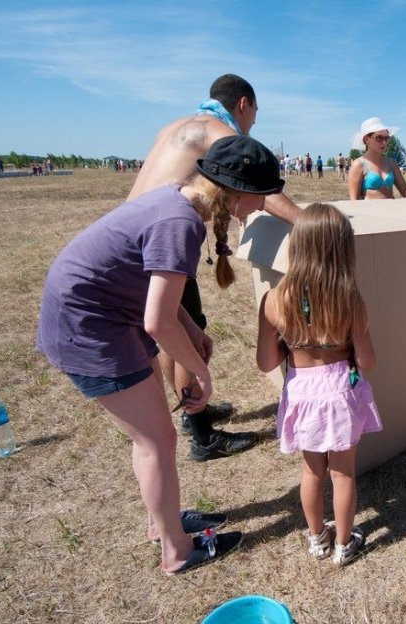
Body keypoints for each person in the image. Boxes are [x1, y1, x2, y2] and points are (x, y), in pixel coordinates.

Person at [38, 135, 283, 573]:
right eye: (261, 195)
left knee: (155, 437)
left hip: (112, 316)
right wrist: (197, 371)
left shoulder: (180, 202)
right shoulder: (182, 224)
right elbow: (156, 321)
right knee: (157, 441)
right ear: (237, 193)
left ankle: (164, 522)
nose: (263, 205)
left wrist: (191, 331)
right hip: (90, 327)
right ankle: (176, 550)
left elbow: (163, 303)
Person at [129, 73, 302, 461]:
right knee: (184, 333)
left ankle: (195, 411)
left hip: (141, 236)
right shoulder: (219, 131)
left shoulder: (178, 126)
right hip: (163, 241)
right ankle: (202, 435)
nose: (251, 124)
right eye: (254, 116)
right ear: (244, 104)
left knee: (177, 331)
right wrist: (308, 223)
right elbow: (263, 188)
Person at [256, 202, 381, 565]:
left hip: (303, 393)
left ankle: (316, 538)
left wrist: (288, 342)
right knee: (343, 474)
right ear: (342, 250)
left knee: (312, 470)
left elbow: (266, 362)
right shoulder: (350, 299)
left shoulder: (274, 300)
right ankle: (344, 544)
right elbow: (368, 361)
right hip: (340, 390)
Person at [348, 117, 406, 200]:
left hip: (391, 211)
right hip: (370, 212)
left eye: (386, 138)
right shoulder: (358, 165)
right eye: (379, 138)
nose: (384, 142)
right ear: (366, 139)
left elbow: (405, 191)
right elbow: (354, 201)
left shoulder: (391, 163)